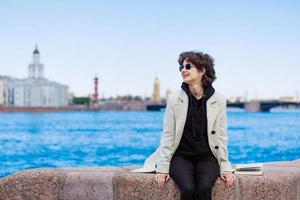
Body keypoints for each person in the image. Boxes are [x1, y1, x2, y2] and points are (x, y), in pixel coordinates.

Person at [132, 51, 235, 200]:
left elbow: (222, 136)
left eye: (188, 66)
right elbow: (168, 134)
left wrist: (225, 167)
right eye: (181, 67)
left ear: (202, 70)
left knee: (205, 187)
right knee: (187, 188)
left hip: (207, 156)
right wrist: (163, 167)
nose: (183, 70)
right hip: (181, 156)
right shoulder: (174, 99)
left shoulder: (218, 100)